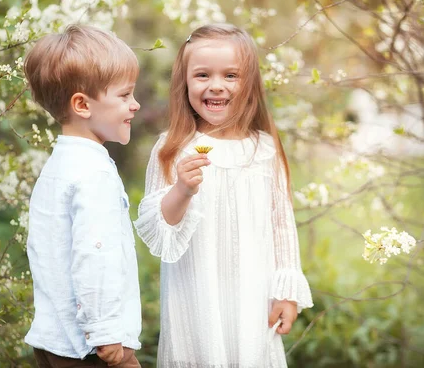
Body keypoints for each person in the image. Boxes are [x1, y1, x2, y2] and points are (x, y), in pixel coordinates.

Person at [134, 23, 313, 368]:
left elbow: (281, 224)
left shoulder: (263, 149)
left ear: (250, 84)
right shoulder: (171, 149)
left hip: (253, 298)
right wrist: (182, 191)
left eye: (231, 75)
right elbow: (159, 233)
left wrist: (286, 292)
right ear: (184, 81)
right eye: (202, 75)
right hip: (196, 298)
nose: (216, 85)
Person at [24, 24, 142, 368]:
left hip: (53, 341)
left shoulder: (58, 165)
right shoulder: (93, 173)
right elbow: (95, 253)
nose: (135, 105)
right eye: (124, 95)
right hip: (92, 348)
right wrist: (105, 330)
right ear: (82, 104)